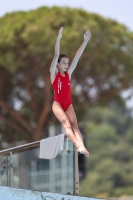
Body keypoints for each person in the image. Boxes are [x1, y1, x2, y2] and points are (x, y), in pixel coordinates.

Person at [50, 27, 91, 157]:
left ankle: (82, 146)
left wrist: (85, 41)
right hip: (57, 104)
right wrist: (58, 38)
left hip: (68, 104)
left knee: (75, 125)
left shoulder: (68, 74)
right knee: (67, 124)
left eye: (67, 63)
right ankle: (78, 146)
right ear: (57, 64)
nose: (67, 65)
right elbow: (56, 55)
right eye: (64, 63)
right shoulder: (54, 74)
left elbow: (77, 56)